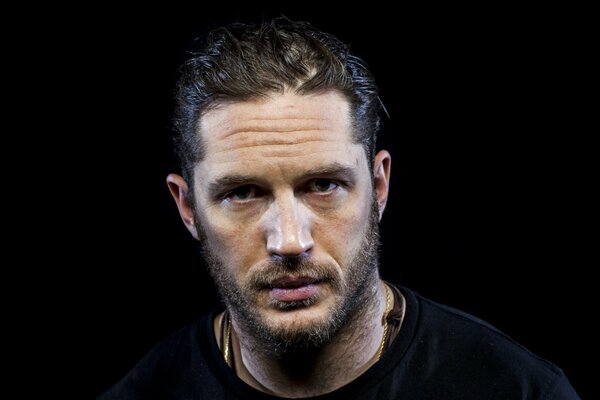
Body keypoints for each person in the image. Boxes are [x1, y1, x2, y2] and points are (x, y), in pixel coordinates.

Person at [98, 18, 580, 399]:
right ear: (187, 208)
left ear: (379, 186)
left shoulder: (518, 389)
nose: (290, 241)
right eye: (242, 193)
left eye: (324, 185)